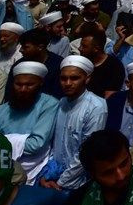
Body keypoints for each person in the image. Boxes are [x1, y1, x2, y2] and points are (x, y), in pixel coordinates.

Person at [42, 54, 108, 190]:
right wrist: (47, 174)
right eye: (63, 78)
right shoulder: (61, 103)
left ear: (87, 78)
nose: (67, 83)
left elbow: (86, 153)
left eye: (74, 78)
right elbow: (55, 145)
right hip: (54, 177)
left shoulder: (96, 106)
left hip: (79, 183)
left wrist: (61, 182)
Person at [0, 62, 58, 182]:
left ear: (40, 83)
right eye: (18, 84)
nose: (23, 89)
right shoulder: (0, 111)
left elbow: (36, 144)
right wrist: (22, 141)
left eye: (29, 85)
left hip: (34, 170)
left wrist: (2, 141)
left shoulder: (49, 104)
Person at [75, 23, 126, 98]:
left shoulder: (114, 66)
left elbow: (110, 96)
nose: (79, 48)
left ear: (96, 48)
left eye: (84, 46)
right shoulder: (80, 63)